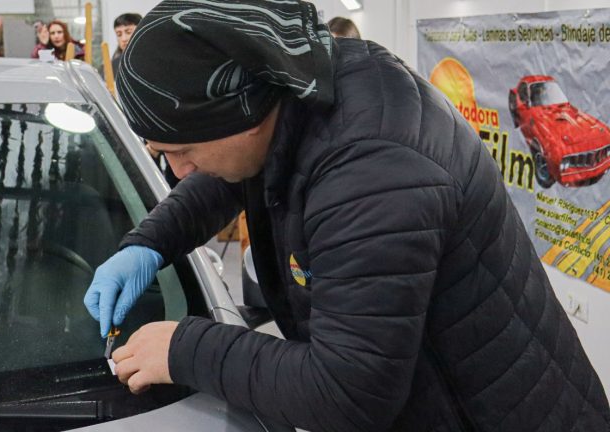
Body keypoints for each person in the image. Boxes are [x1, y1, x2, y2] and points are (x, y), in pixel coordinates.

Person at [84, 1, 610, 431]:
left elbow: (348, 392)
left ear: (240, 116)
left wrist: (185, 348)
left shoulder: (374, 170)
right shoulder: (296, 91)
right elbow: (230, 171)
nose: (178, 172)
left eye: (182, 150)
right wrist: (148, 243)